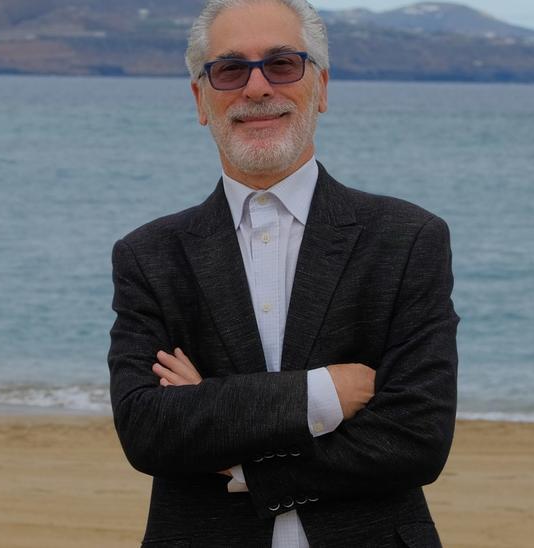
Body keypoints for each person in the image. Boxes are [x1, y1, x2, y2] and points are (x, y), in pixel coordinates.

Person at [106, 0, 459, 546]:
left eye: (282, 64)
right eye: (229, 69)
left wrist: (241, 455)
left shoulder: (408, 238)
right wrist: (323, 394)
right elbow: (148, 430)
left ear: (321, 86)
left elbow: (417, 439)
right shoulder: (149, 256)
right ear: (201, 98)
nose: (255, 88)